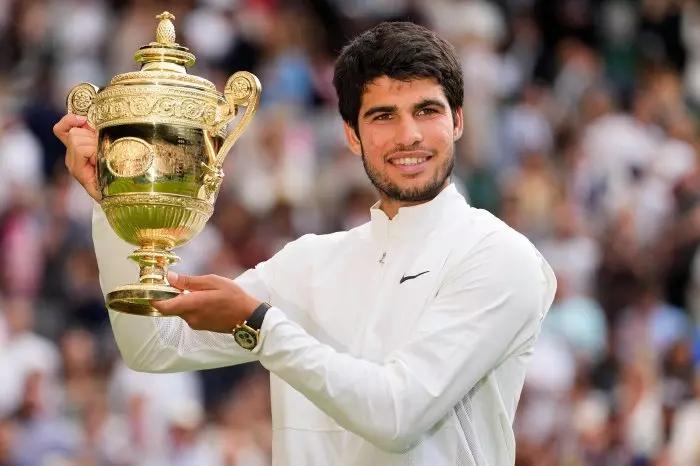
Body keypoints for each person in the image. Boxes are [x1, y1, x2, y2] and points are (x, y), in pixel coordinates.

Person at [54, 21, 556, 466]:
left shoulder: (499, 256)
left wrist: (260, 325)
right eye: (382, 116)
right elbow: (154, 347)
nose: (409, 135)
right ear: (351, 135)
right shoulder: (311, 262)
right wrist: (113, 197)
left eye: (427, 111)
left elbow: (398, 416)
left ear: (458, 121)